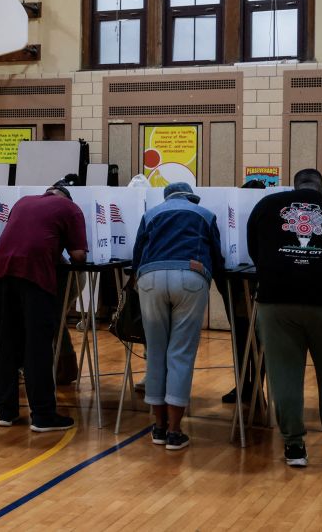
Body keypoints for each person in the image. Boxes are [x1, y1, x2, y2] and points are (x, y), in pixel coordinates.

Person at [247, 168, 322, 468]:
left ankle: (294, 448)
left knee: (284, 376)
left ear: (294, 186)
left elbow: (254, 251)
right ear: (321, 188)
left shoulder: (266, 206)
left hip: (276, 302)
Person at [131, 181, 224, 451]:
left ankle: (158, 428)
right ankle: (174, 432)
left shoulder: (151, 214)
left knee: (156, 353)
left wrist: (137, 280)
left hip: (150, 278)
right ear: (190, 197)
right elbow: (216, 256)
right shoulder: (205, 214)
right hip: (190, 277)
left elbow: (138, 254)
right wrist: (221, 282)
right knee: (180, 353)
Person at [0, 179, 87, 432]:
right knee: (38, 345)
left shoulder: (23, 202)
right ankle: (43, 415)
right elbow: (79, 256)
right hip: (34, 276)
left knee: (6, 343)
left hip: (1, 274)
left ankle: (5, 411)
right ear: (67, 198)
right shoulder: (71, 209)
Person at [219, 179, 266, 404]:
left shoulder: (266, 218)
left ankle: (254, 387)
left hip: (254, 286)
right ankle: (246, 386)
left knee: (254, 339)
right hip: (238, 288)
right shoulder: (233, 218)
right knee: (244, 338)